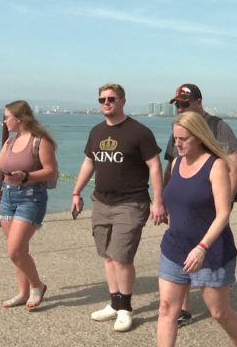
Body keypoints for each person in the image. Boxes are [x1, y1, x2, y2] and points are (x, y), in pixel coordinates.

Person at [70, 83, 166, 332]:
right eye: (102, 99)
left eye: (111, 98)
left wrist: (158, 201)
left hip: (131, 203)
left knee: (122, 256)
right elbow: (89, 162)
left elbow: (155, 166)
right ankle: (113, 303)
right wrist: (76, 191)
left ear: (123, 100)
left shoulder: (139, 132)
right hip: (101, 201)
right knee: (107, 256)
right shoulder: (96, 131)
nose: (106, 102)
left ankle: (125, 308)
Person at [157, 111, 237, 347]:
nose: (177, 143)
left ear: (198, 137)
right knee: (167, 308)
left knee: (218, 312)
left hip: (210, 250)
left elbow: (223, 213)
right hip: (175, 247)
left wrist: (202, 247)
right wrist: (160, 206)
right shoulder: (177, 163)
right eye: (175, 138)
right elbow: (175, 196)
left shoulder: (215, 165)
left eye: (183, 139)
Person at [0, 100, 57, 311]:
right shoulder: (10, 143)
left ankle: (37, 286)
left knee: (14, 250)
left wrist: (26, 176)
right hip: (7, 198)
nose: (4, 121)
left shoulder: (40, 142)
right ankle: (23, 293)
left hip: (31, 198)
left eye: (7, 117)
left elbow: (51, 171)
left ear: (20, 118)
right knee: (19, 250)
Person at [164, 83, 237, 327]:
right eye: (177, 104)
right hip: (183, 203)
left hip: (210, 202)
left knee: (217, 304)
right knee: (181, 250)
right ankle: (183, 308)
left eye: (185, 103)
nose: (180, 107)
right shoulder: (180, 129)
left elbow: (234, 164)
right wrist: (165, 198)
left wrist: (223, 202)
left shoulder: (218, 126)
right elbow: (172, 164)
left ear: (199, 101)